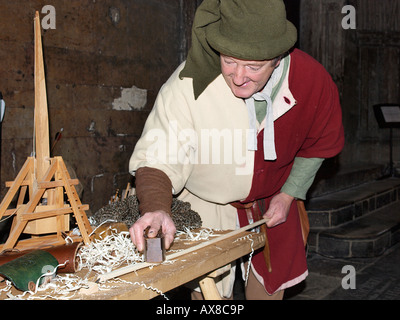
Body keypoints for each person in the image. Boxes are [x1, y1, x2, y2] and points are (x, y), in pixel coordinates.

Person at [128, 0, 344, 300]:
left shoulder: (311, 80)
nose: (239, 77)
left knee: (269, 292)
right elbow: (158, 155)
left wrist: (289, 194)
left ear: (278, 58)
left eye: (254, 67)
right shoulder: (187, 85)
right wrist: (156, 207)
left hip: (273, 202)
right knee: (209, 296)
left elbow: (320, 142)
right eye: (229, 61)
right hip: (209, 205)